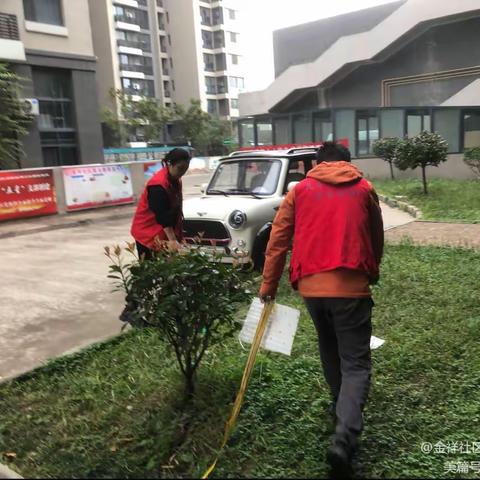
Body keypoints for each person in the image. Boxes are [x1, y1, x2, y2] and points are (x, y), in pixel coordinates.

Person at [259, 142, 384, 477]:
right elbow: (375, 237)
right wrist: (372, 271)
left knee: (329, 349)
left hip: (312, 290)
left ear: (315, 164)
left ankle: (339, 408)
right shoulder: (363, 188)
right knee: (356, 363)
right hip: (351, 289)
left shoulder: (300, 191)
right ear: (346, 163)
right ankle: (344, 436)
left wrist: (268, 287)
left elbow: (278, 241)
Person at [131, 147, 191, 259]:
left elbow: (176, 208)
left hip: (162, 232)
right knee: (152, 270)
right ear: (170, 164)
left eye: (185, 169)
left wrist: (179, 236)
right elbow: (162, 216)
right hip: (147, 232)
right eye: (180, 168)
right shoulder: (157, 185)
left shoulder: (176, 180)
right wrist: (173, 240)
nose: (182, 172)